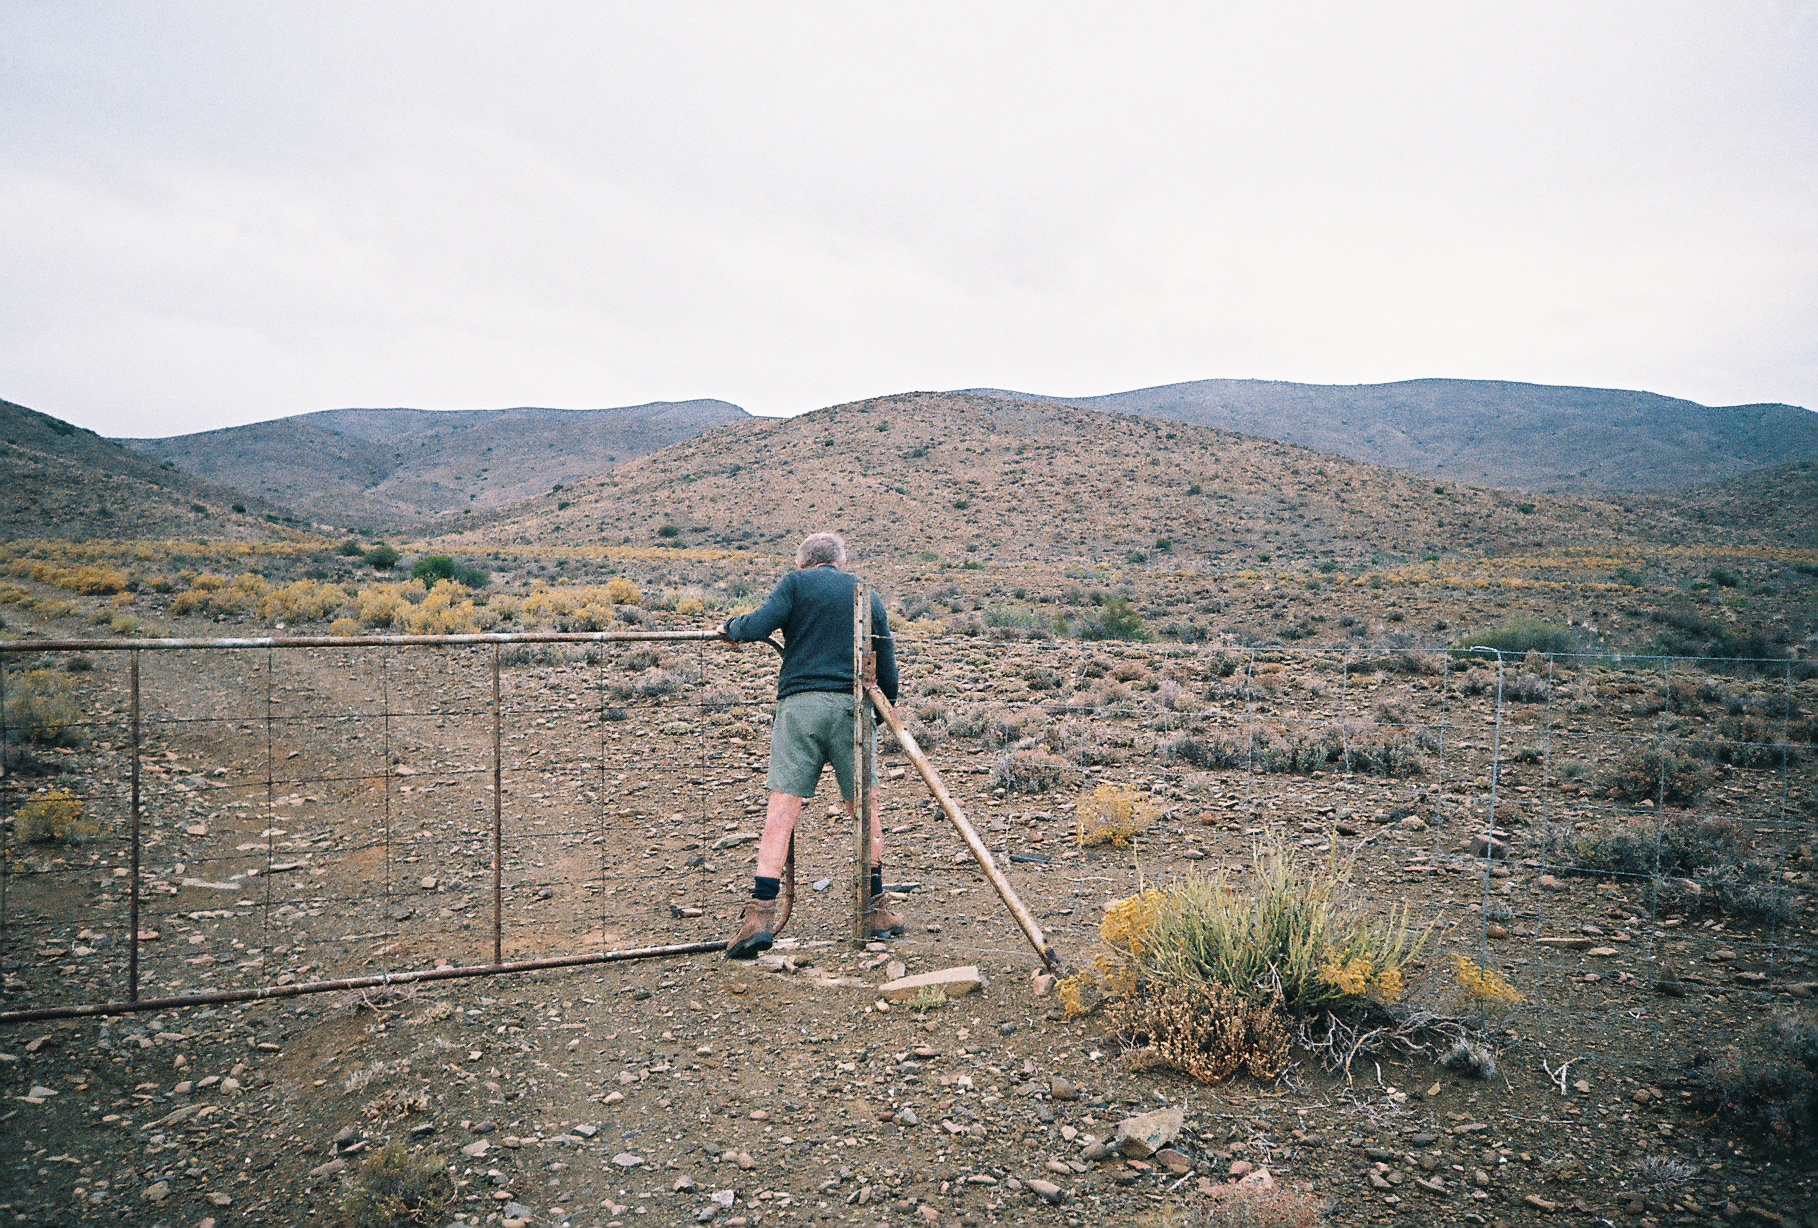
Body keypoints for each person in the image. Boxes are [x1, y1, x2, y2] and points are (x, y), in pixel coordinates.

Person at [719, 531, 900, 958]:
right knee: (864, 808)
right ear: (839, 561)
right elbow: (886, 663)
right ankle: (875, 909)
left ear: (803, 562)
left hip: (799, 708)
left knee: (782, 809)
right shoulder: (865, 593)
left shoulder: (795, 583)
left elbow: (761, 622)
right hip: (851, 709)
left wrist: (731, 629)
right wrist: (882, 710)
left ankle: (759, 916)